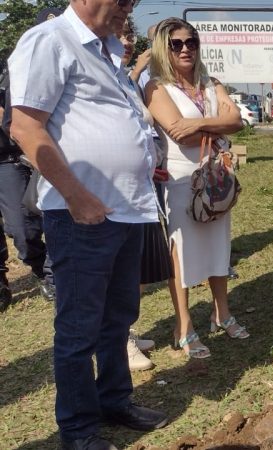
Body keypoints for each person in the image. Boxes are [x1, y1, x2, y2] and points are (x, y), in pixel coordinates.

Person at [8, 0, 170, 448]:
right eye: (121, 0)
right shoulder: (50, 40)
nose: (127, 9)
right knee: (79, 327)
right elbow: (26, 127)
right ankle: (78, 430)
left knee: (119, 319)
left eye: (132, 3)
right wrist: (78, 198)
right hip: (82, 214)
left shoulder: (107, 51)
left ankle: (114, 399)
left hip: (127, 209)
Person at [145, 17, 247, 360]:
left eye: (191, 42)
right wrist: (214, 127)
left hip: (215, 176)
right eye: (177, 44)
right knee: (182, 253)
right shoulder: (156, 88)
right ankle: (184, 326)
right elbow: (177, 132)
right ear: (165, 48)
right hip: (181, 180)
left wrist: (200, 122)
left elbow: (237, 121)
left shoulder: (210, 83)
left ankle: (222, 312)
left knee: (220, 244)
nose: (186, 48)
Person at [118, 18, 166, 372]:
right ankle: (120, 341)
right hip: (112, 196)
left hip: (141, 191)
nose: (125, 40)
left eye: (128, 34)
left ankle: (127, 331)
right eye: (118, 34)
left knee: (136, 272)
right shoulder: (112, 76)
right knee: (117, 273)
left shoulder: (122, 78)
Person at [0, 24, 57, 308]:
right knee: (21, 231)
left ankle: (53, 274)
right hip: (6, 163)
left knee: (54, 216)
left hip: (33, 152)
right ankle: (41, 269)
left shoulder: (9, 68)